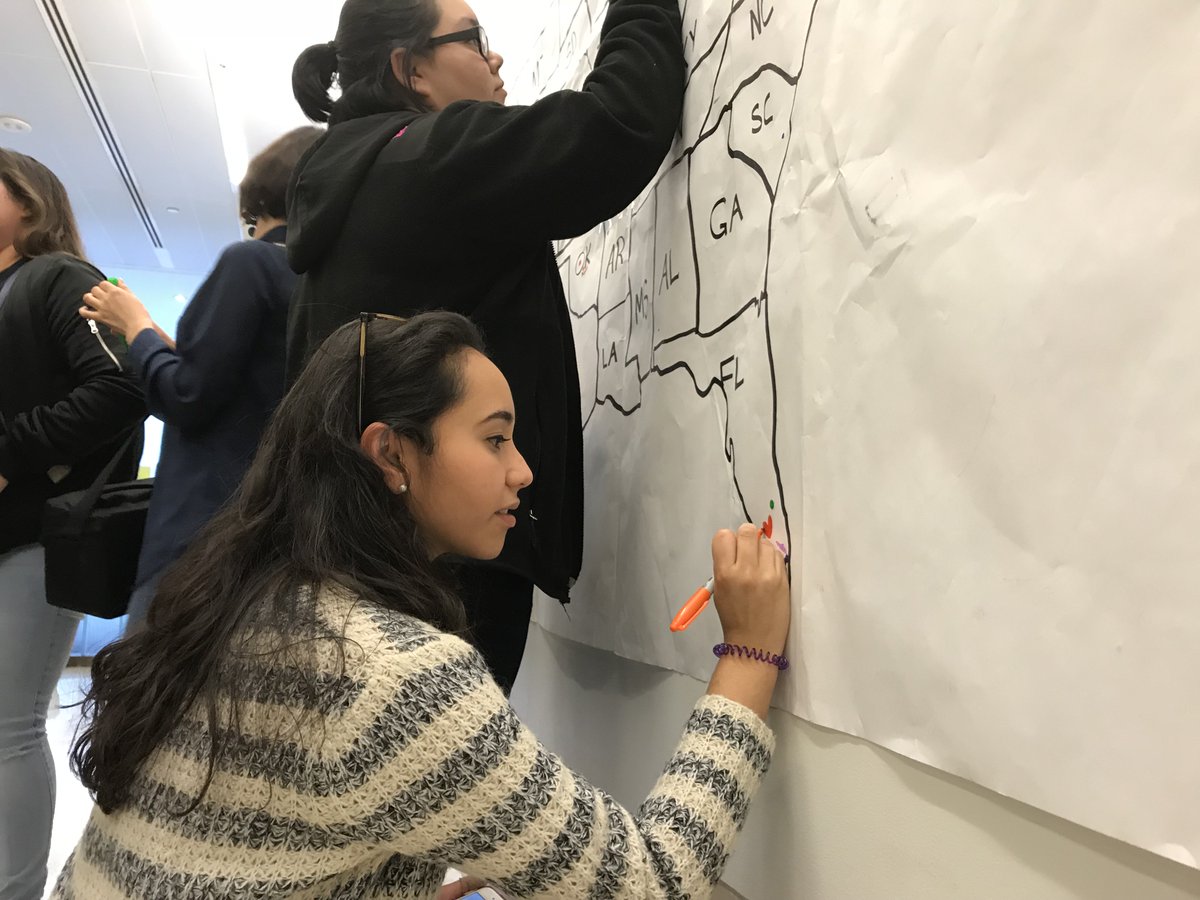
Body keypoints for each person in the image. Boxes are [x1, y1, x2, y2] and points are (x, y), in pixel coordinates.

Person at [52, 312, 790, 899]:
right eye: (495, 439)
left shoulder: (245, 601)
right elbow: (649, 884)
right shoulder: (390, 676)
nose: (524, 471)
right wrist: (750, 654)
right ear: (392, 454)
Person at [285, 0, 685, 691]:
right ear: (409, 69)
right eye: (475, 40)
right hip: (448, 558)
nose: (496, 58)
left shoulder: (351, 184)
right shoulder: (429, 158)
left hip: (370, 545)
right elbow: (616, 126)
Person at [79, 126, 322, 623]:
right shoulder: (318, 283)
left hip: (200, 533)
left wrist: (137, 327)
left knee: (151, 695)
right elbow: (247, 385)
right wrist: (167, 347)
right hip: (282, 540)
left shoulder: (249, 262)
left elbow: (186, 397)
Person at [0, 149, 145, 899]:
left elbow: (123, 388)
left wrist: (9, 455)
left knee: (9, 725)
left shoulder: (57, 278)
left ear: (27, 199)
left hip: (33, 536)